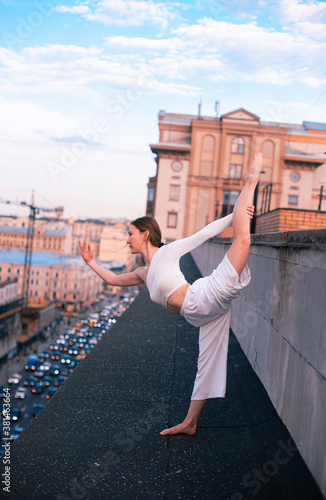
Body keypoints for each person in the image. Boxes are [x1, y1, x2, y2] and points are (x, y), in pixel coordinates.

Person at [79, 152, 263, 436]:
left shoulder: (166, 252)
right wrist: (90, 262)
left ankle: (250, 182)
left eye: (130, 233)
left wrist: (233, 214)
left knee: (242, 239)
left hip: (204, 297)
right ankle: (190, 423)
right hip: (198, 314)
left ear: (145, 234)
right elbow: (114, 279)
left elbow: (202, 234)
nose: (126, 239)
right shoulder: (143, 272)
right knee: (207, 364)